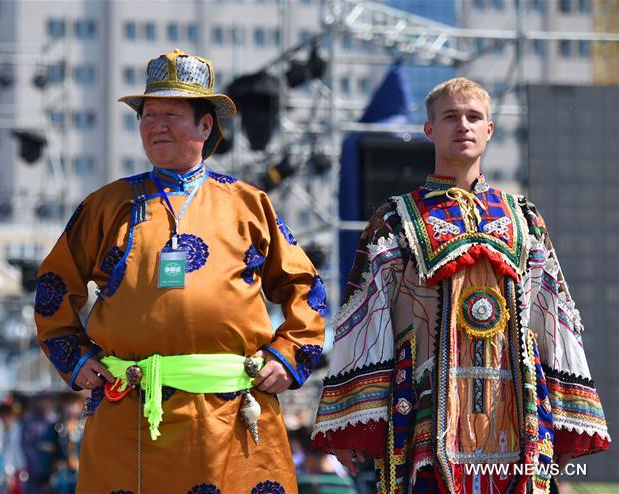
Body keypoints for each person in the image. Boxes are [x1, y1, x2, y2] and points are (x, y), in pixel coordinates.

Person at [35, 49, 326, 493]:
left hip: (231, 416)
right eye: (148, 114)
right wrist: (74, 358)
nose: (156, 125)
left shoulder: (249, 203)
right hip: (127, 411)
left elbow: (306, 286)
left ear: (205, 126)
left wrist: (289, 356)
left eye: (171, 113)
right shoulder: (106, 205)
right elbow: (54, 285)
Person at [313, 78, 610, 492]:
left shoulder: (524, 220)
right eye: (451, 116)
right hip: (424, 416)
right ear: (430, 129)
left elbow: (555, 317)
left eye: (474, 117)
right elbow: (366, 316)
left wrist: (567, 421)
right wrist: (352, 419)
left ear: (490, 129)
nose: (463, 125)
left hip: (519, 419)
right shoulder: (397, 218)